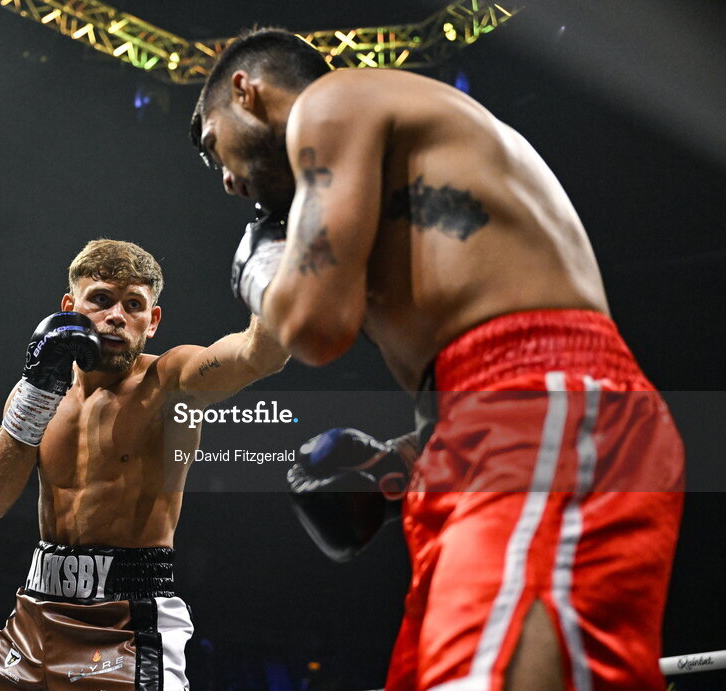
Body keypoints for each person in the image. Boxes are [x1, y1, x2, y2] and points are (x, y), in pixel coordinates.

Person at [190, 27, 684, 690]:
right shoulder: (387, 171)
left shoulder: (332, 101)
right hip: (492, 422)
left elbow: (315, 325)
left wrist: (258, 270)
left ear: (246, 93)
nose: (224, 181)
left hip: (538, 407)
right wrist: (407, 456)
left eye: (211, 147)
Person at [0, 239, 289, 691]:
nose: (117, 315)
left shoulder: (170, 383)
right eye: (101, 299)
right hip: (34, 616)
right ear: (69, 306)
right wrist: (36, 392)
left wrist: (273, 265)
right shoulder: (35, 394)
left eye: (133, 304)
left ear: (152, 321)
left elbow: (260, 353)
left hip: (126, 625)